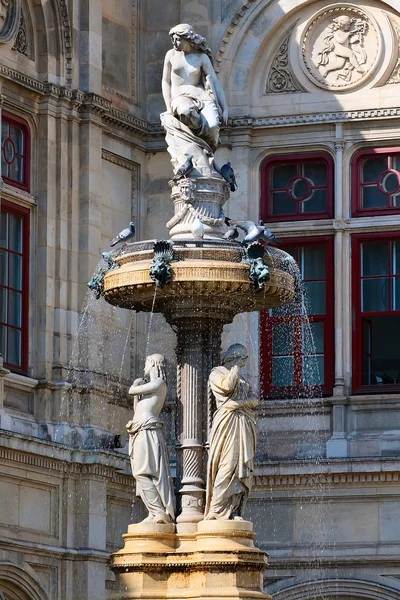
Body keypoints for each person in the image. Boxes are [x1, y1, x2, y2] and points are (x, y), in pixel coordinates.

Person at [161, 23, 228, 173]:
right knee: (186, 111)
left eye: (178, 39)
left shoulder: (202, 57)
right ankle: (198, 148)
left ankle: (205, 151)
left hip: (203, 98)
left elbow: (215, 83)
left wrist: (225, 109)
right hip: (180, 98)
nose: (175, 43)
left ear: (188, 39)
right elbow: (166, 82)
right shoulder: (171, 55)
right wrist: (168, 108)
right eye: (173, 40)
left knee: (212, 127)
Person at [204, 344, 259, 521]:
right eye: (242, 357)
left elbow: (255, 400)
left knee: (240, 467)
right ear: (233, 357)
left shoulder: (241, 378)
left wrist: (239, 404)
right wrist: (235, 368)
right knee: (227, 464)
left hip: (243, 424)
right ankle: (216, 509)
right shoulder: (217, 373)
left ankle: (234, 510)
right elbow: (227, 387)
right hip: (227, 423)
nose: (245, 361)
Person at [127, 354, 175, 524]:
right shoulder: (151, 387)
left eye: (146, 363)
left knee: (143, 472)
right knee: (140, 473)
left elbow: (132, 390)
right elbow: (137, 408)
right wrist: (136, 396)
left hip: (148, 431)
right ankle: (154, 512)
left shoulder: (159, 383)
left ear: (154, 364)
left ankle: (159, 512)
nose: (143, 368)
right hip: (141, 430)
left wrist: (135, 385)